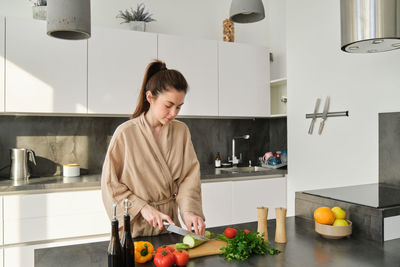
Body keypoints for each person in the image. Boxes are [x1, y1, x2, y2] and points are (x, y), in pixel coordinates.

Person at [101, 60, 205, 238]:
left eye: (179, 107)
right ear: (150, 98)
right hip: (134, 230)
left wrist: (188, 211)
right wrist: (142, 208)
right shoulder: (125, 133)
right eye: (168, 105)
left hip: (169, 227)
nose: (174, 113)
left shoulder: (181, 131)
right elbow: (110, 185)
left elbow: (188, 177)